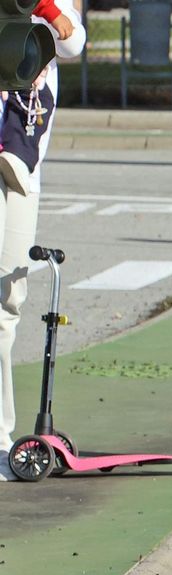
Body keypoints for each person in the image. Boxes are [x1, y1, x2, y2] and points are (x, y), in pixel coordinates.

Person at [0, 0, 83, 482]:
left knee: (8, 303)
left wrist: (41, 10)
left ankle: (1, 437)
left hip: (23, 168)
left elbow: (72, 41)